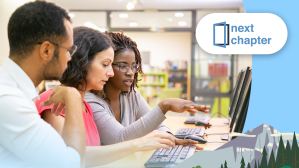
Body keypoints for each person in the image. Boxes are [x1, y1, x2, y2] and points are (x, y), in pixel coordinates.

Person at [35, 26, 178, 167]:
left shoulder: (85, 107)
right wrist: (138, 144)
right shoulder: (54, 101)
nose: (111, 73)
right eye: (105, 64)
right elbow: (73, 158)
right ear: (82, 62)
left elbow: (95, 156)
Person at [84, 31, 210, 145]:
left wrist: (171, 138)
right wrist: (164, 105)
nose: (130, 72)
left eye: (134, 66)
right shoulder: (89, 101)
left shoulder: (132, 95)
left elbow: (157, 126)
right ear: (108, 65)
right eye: (123, 66)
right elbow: (120, 138)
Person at [0, 1, 86, 168]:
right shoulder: (8, 99)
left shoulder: (17, 90)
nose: (70, 57)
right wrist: (73, 96)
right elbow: (71, 164)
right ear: (46, 50)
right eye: (68, 50)